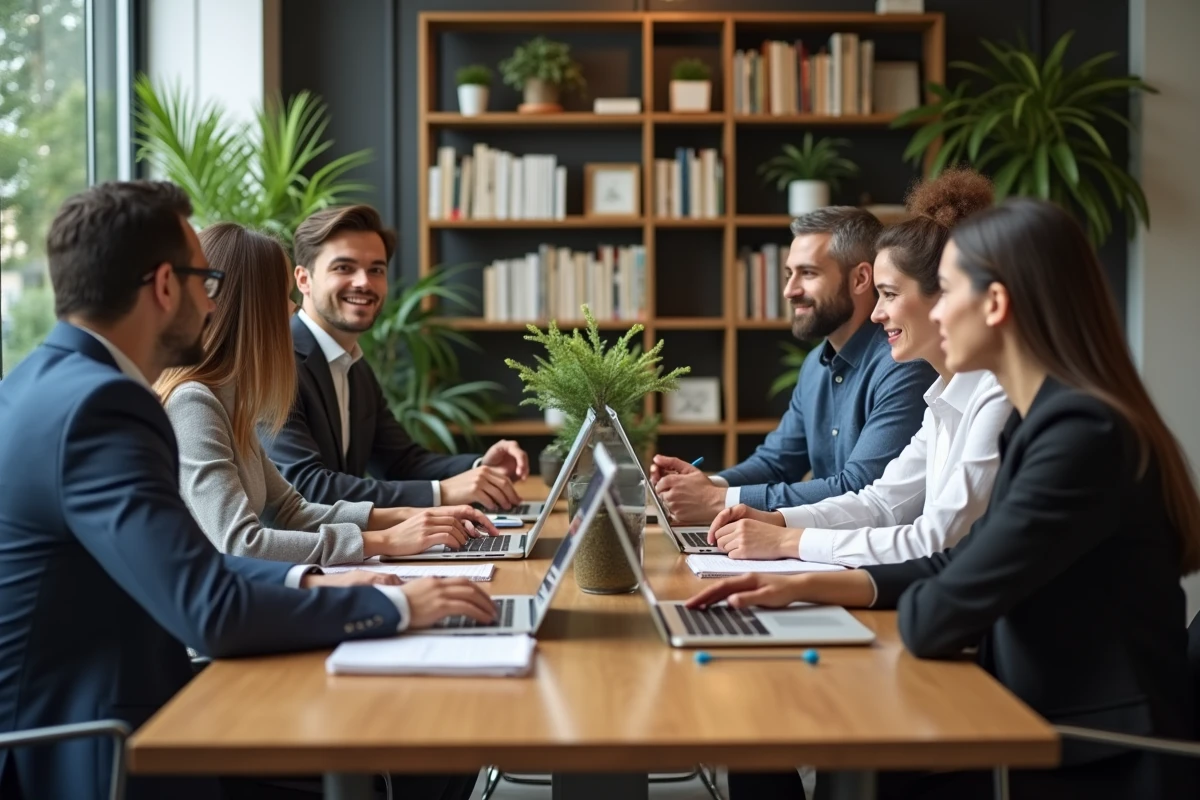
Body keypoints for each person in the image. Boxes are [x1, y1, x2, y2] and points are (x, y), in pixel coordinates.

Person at [688, 198, 1200, 800]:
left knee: (801, 734)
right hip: (1032, 717)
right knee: (778, 724)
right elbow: (954, 566)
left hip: (1083, 751)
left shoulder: (1078, 437)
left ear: (995, 304)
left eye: (946, 290)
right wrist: (802, 582)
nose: (932, 306)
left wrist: (807, 560)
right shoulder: (1050, 422)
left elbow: (939, 609)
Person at [0, 181, 495, 800]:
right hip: (98, 751)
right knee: (414, 740)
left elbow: (199, 564)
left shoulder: (39, 384)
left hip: (112, 716)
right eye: (204, 282)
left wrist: (320, 578)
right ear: (163, 286)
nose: (213, 304)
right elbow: (208, 607)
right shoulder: (106, 407)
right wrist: (396, 606)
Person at [708, 169, 1011, 568]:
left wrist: (789, 540)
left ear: (946, 297)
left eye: (888, 295)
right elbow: (881, 502)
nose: (877, 313)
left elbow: (937, 539)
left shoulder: (992, 395)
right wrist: (777, 520)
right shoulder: (941, 395)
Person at [159, 222, 500, 566]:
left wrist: (413, 517)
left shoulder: (233, 400)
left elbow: (292, 510)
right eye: (283, 296)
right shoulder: (194, 402)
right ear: (254, 310)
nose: (292, 309)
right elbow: (242, 543)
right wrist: (384, 540)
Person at [651, 207, 935, 524]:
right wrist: (708, 485)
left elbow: (859, 489)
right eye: (789, 274)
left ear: (860, 279)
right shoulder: (816, 364)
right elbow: (778, 461)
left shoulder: (903, 364)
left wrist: (717, 500)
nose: (789, 290)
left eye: (808, 273)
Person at [264, 204, 530, 511]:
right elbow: (307, 488)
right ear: (303, 280)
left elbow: (402, 462)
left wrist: (480, 466)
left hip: (346, 550)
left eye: (376, 270)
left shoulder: (355, 365)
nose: (364, 282)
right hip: (301, 556)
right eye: (344, 268)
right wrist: (442, 493)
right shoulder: (278, 364)